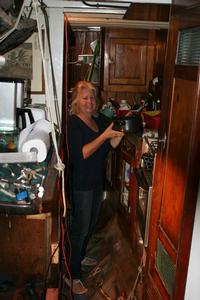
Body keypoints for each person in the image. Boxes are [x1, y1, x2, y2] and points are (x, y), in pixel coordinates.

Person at [66, 80, 124, 294]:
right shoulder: (73, 123)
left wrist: (116, 136)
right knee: (80, 230)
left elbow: (108, 146)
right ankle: (72, 275)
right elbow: (82, 154)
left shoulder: (99, 120)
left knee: (90, 225)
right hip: (81, 183)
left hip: (96, 181)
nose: (90, 101)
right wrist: (105, 136)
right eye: (85, 98)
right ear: (76, 102)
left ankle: (78, 256)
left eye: (92, 97)